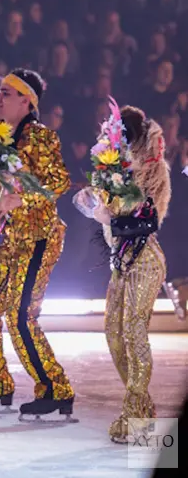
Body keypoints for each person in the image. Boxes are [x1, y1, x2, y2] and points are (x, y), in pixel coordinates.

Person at [0, 68, 76, 418]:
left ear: (27, 101)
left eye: (7, 93)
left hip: (39, 238)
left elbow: (59, 183)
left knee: (21, 316)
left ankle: (56, 388)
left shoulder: (40, 137)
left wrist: (19, 201)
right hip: (12, 239)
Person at [88, 105, 171, 443]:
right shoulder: (114, 170)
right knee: (114, 334)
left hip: (146, 259)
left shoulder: (152, 168)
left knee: (133, 332)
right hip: (122, 261)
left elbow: (148, 221)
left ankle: (136, 415)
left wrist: (112, 220)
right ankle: (143, 408)